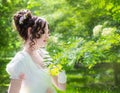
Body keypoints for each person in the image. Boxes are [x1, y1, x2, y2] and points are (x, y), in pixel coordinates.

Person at [6, 9, 66, 93]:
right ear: (30, 31)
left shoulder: (44, 55)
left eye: (48, 32)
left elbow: (61, 87)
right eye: (43, 32)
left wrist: (62, 75)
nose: (47, 36)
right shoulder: (21, 61)